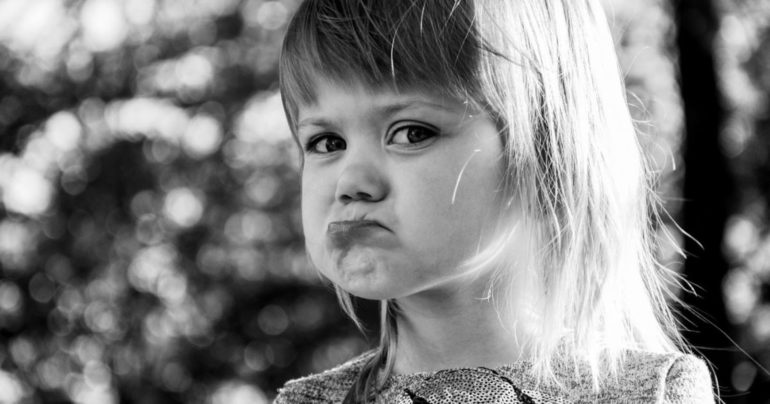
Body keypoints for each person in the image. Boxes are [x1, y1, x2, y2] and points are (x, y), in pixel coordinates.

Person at [274, 0, 716, 402]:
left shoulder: (648, 393)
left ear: (547, 155)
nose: (351, 182)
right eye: (326, 142)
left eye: (411, 133)